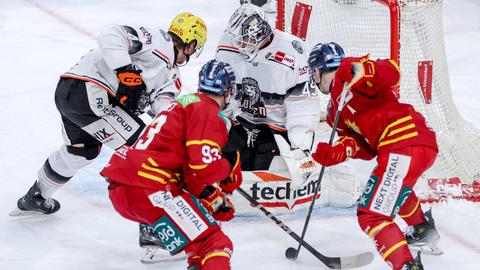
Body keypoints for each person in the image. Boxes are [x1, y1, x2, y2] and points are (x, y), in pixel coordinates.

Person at [11, 12, 207, 263]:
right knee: (148, 156)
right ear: (191, 44)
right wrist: (126, 72)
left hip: (70, 94)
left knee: (82, 151)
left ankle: (36, 196)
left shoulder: (172, 77)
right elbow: (110, 34)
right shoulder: (157, 40)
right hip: (91, 92)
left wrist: (178, 127)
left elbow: (162, 106)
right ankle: (153, 233)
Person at [307, 42, 441, 270]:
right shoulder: (333, 114)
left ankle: (407, 267)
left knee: (371, 215)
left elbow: (392, 73)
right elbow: (364, 146)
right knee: (390, 188)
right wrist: (337, 152)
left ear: (317, 71)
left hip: (403, 140)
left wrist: (365, 69)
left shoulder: (348, 72)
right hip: (410, 145)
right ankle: (422, 228)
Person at [100, 59, 242, 270]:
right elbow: (204, 168)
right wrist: (228, 166)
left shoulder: (184, 103)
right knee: (214, 244)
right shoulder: (207, 111)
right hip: (151, 189)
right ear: (228, 91)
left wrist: (208, 196)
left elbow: (187, 169)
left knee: (198, 246)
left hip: (124, 190)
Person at [215, 3, 321, 177]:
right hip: (238, 125)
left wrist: (300, 146)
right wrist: (216, 123)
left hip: (276, 131)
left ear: (259, 33)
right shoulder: (227, 43)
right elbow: (218, 90)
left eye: (244, 39)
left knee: (280, 173)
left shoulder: (292, 51)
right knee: (223, 169)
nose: (238, 44)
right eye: (236, 38)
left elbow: (303, 105)